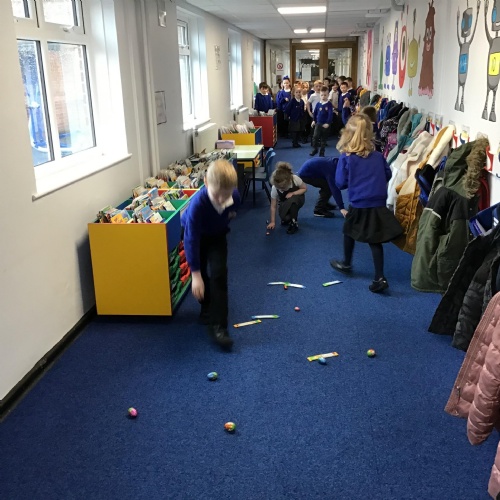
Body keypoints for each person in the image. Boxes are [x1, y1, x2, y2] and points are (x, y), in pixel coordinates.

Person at [329, 114, 403, 293]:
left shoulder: (347, 157)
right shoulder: (377, 156)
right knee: (374, 240)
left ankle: (346, 263)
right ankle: (379, 277)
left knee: (348, 230)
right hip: (378, 203)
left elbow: (340, 183)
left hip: (359, 202)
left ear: (348, 134)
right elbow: (387, 174)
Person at [181, 159, 240, 349]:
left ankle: (219, 326)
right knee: (202, 276)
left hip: (217, 235)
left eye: (226, 195)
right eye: (217, 195)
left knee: (219, 274)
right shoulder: (198, 204)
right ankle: (206, 307)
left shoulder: (234, 196)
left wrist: (227, 215)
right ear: (206, 183)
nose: (222, 200)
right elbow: (190, 238)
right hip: (196, 235)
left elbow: (232, 210)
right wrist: (195, 274)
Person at [266, 162, 307, 235]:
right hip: (284, 201)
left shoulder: (294, 179)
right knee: (285, 218)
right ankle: (289, 219)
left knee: (292, 201)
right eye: (279, 187)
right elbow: (273, 206)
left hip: (298, 198)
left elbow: (304, 189)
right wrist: (272, 222)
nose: (281, 189)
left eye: (283, 187)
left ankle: (294, 223)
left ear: (288, 181)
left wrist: (293, 193)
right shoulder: (275, 188)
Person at [310, 86, 334, 157]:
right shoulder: (318, 104)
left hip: (325, 124)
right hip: (318, 123)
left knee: (323, 139)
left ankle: (322, 152)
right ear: (320, 95)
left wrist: (328, 123)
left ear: (328, 95)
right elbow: (315, 113)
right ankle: (315, 149)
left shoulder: (329, 104)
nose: (323, 97)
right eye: (322, 95)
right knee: (315, 137)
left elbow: (330, 114)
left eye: (325, 95)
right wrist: (314, 120)